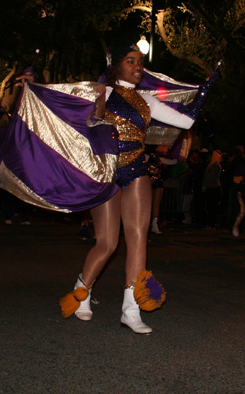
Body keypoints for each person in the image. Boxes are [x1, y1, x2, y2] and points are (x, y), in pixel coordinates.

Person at [58, 38, 217, 334]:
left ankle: (131, 309)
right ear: (117, 65)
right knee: (107, 243)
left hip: (135, 170)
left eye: (140, 62)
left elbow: (185, 122)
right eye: (130, 61)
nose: (137, 66)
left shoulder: (147, 101)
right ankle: (81, 292)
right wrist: (31, 88)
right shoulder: (100, 91)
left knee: (138, 238)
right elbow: (64, 107)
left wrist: (205, 87)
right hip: (106, 172)